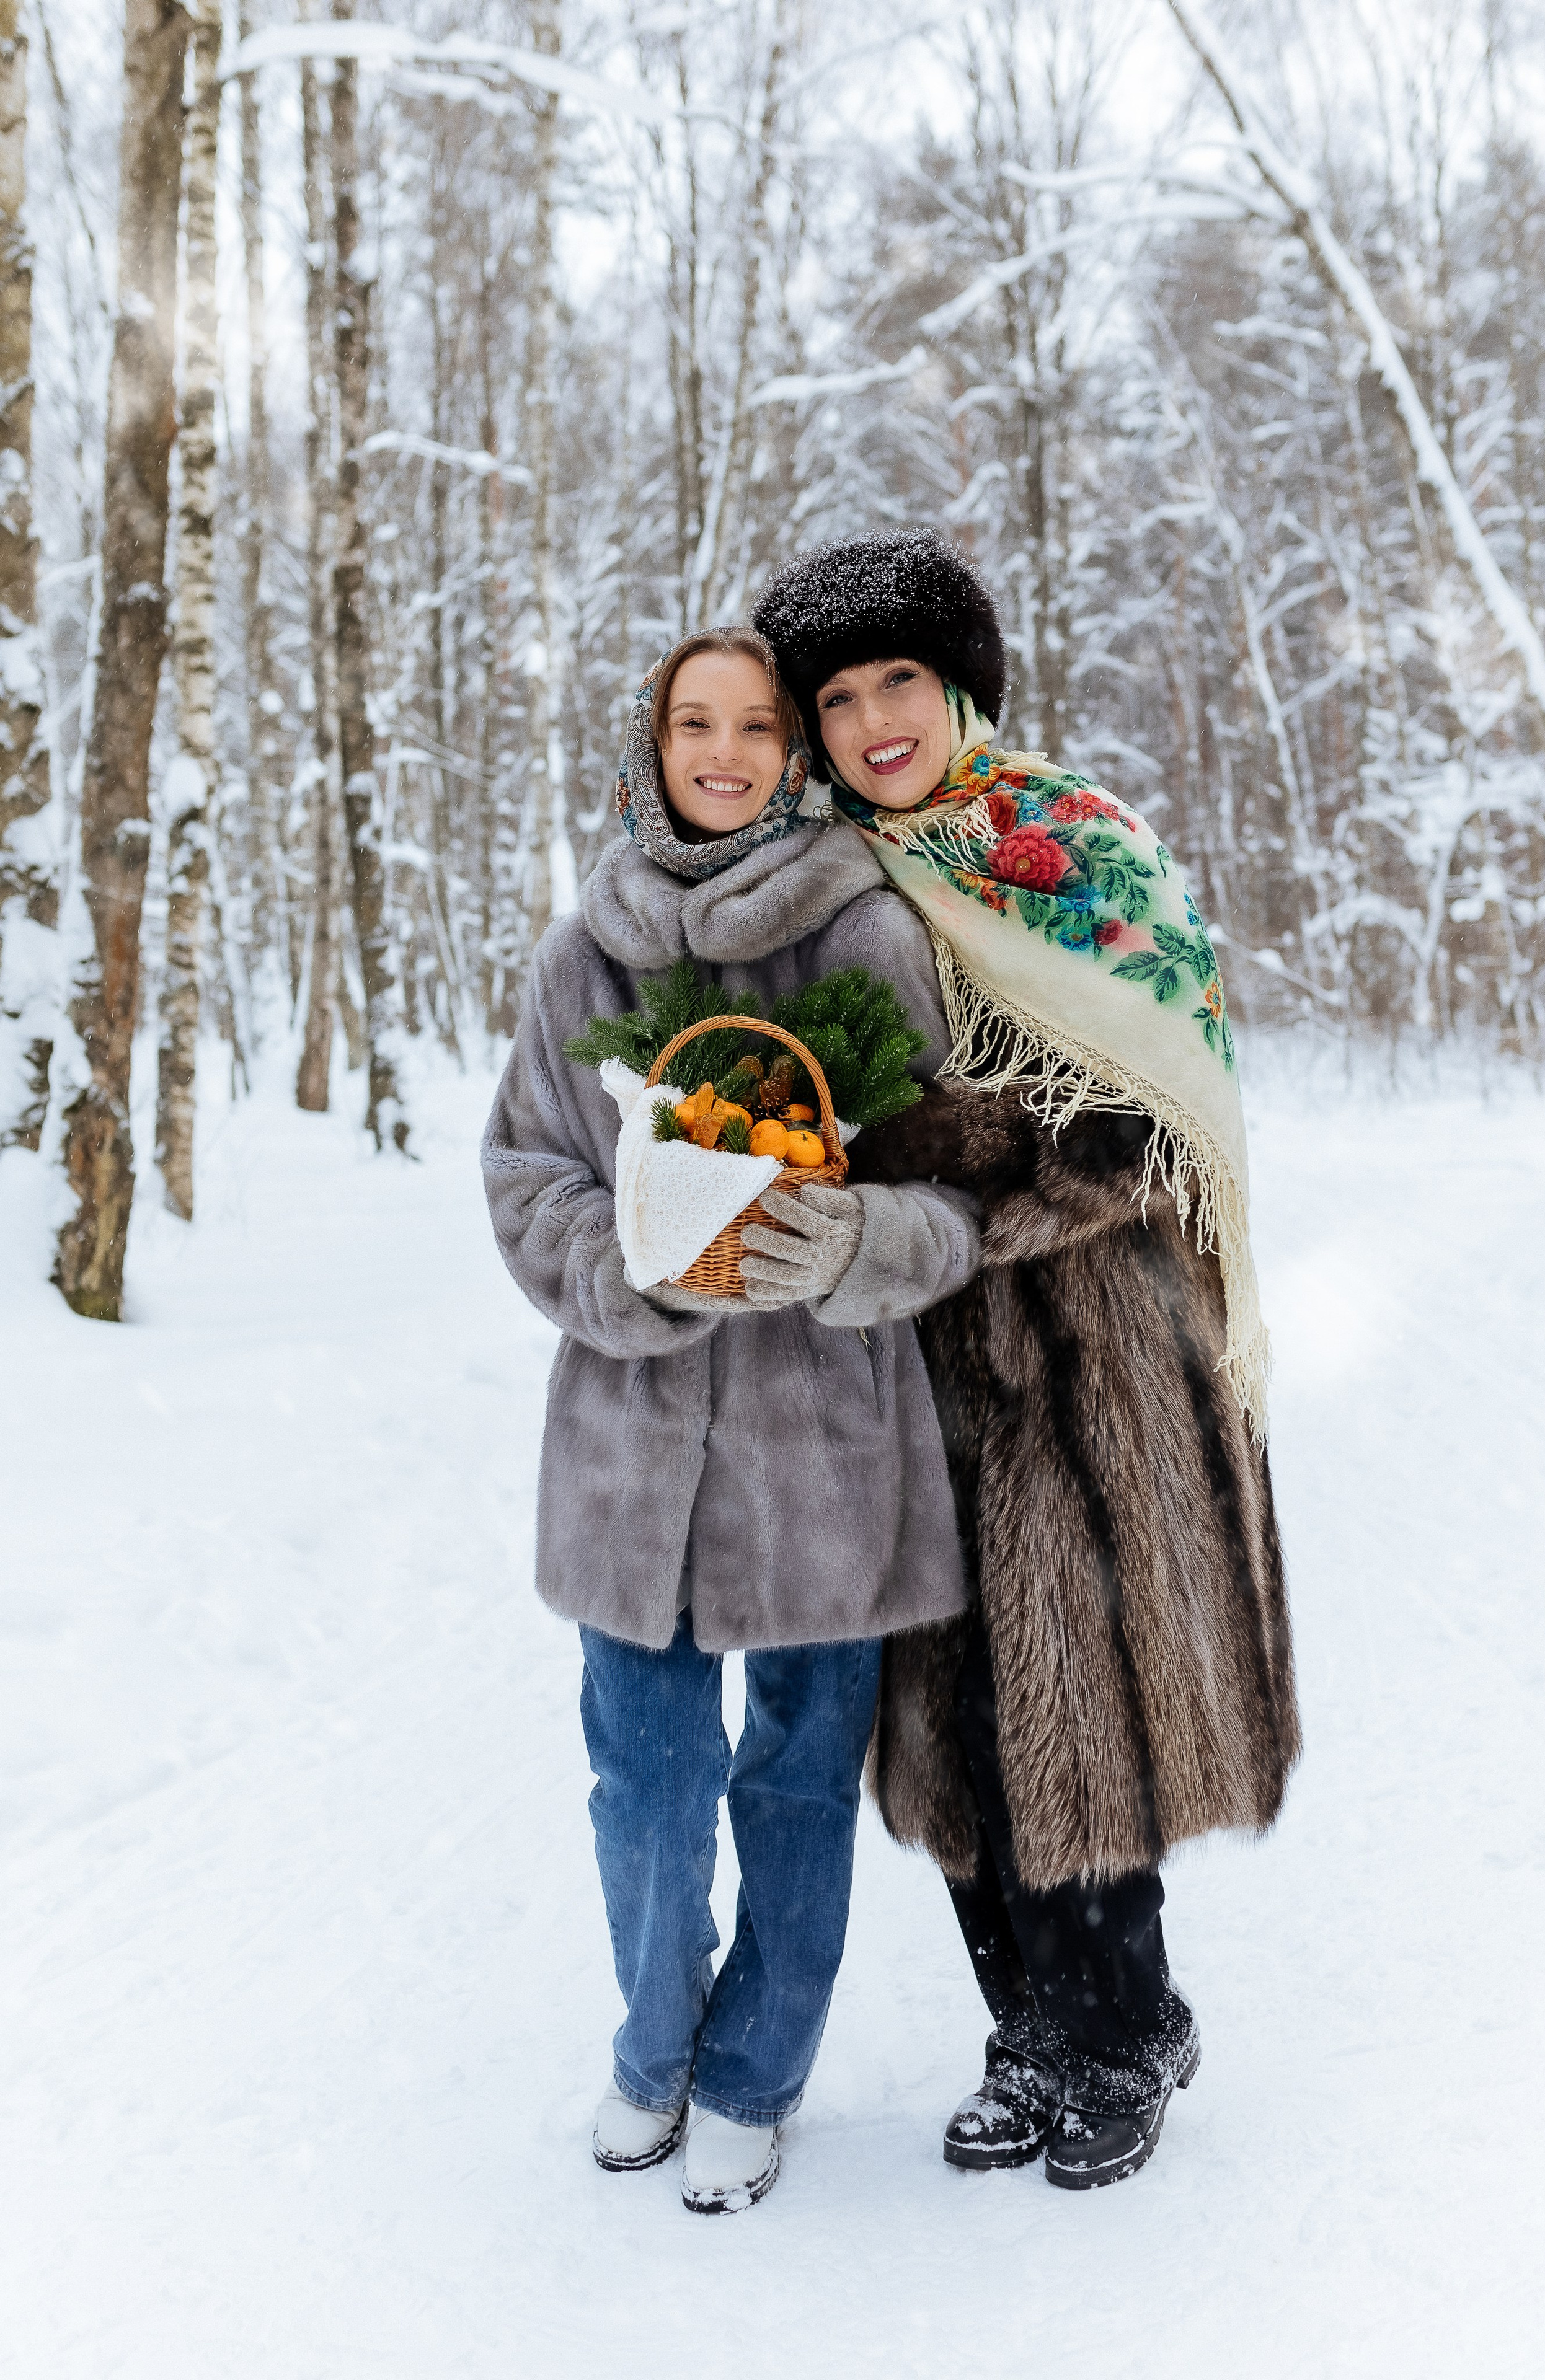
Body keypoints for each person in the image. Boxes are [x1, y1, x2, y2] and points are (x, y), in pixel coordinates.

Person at [753, 534, 1300, 2189]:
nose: (873, 723)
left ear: (960, 685)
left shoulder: (1077, 849)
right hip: (905, 1349)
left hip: (1092, 1341)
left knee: (1089, 1694)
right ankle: (1025, 2023)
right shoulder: (828, 886)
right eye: (837, 700)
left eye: (898, 682)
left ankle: (1119, 2030)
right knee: (952, 1722)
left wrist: (939, 1166)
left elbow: (1154, 1114)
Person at [480, 626, 980, 2213]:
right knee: (642, 1781)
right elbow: (524, 1176)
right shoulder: (585, 955)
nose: (723, 751)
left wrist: (852, 1245)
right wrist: (629, 1270)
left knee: (792, 1782)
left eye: (755, 725)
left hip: (822, 1454)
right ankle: (651, 2044)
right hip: (631, 1458)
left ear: (791, 751)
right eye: (693, 723)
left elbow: (954, 1193)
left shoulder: (865, 939)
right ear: (652, 742)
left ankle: (758, 2068)